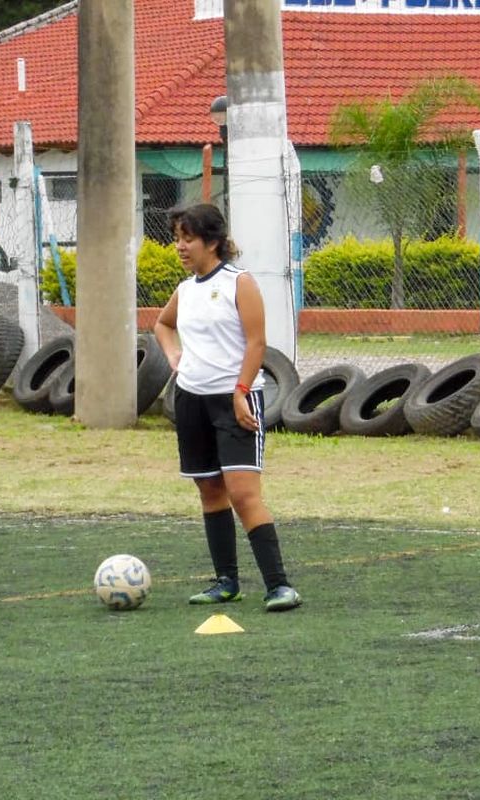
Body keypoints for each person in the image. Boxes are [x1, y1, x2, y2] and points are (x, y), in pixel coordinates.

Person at [153, 203, 302, 612]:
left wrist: (240, 391)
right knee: (210, 490)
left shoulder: (240, 283)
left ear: (213, 241)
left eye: (189, 239)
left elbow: (257, 344)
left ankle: (279, 585)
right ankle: (227, 582)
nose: (181, 247)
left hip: (235, 400)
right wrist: (173, 356)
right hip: (191, 400)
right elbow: (162, 325)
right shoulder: (186, 289)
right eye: (177, 239)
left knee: (242, 492)